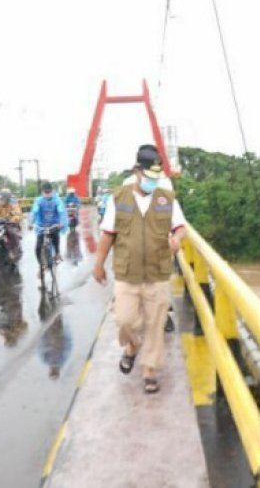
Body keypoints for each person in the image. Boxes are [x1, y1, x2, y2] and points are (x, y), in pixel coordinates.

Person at [93, 144, 186, 394]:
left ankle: (149, 371)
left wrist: (177, 239)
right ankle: (132, 346)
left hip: (157, 271)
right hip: (127, 273)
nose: (153, 182)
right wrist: (99, 264)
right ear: (137, 171)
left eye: (157, 178)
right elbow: (107, 234)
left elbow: (180, 226)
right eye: (149, 177)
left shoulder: (166, 197)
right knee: (124, 320)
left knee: (156, 323)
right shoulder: (118, 197)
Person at [30, 182, 68, 268]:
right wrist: (30, 222)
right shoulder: (38, 200)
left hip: (54, 224)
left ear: (52, 191)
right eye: (45, 192)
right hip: (41, 226)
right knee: (38, 247)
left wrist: (61, 222)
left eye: (49, 192)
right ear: (42, 192)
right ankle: (41, 265)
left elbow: (61, 211)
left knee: (55, 237)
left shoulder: (57, 200)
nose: (47, 194)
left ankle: (57, 253)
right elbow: (34, 212)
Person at [0, 190, 23, 260]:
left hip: (11, 224)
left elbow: (18, 214)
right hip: (0, 225)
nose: (0, 200)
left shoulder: (13, 205)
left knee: (12, 233)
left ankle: (13, 250)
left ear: (6, 198)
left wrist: (14, 219)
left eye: (2, 199)